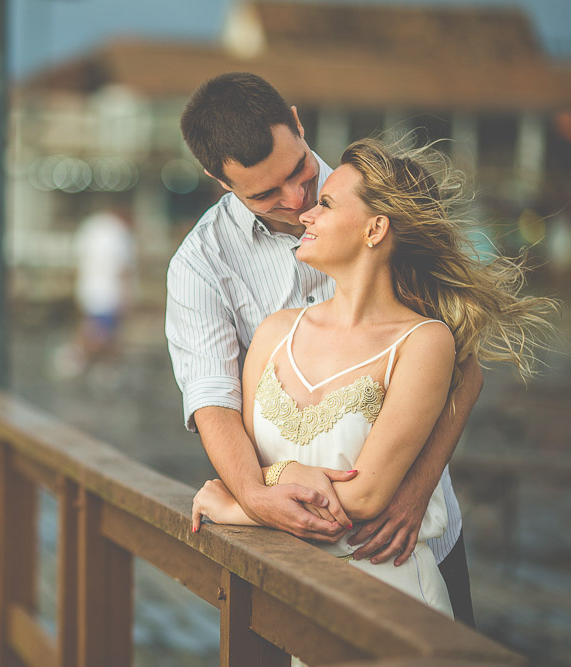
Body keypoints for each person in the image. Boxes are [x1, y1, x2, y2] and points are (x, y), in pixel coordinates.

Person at [189, 137, 555, 620]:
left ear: (375, 228)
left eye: (324, 203)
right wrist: (275, 479)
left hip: (388, 602)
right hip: (288, 604)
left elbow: (364, 498)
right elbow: (252, 473)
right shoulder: (274, 332)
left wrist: (238, 508)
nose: (304, 215)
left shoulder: (424, 342)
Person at [165, 72, 482, 623]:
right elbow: (214, 400)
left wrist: (413, 490)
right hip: (284, 550)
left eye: (300, 171)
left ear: (297, 123)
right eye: (266, 193)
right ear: (221, 182)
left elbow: (463, 365)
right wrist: (256, 497)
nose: (298, 201)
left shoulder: (377, 192)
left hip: (404, 540)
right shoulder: (202, 266)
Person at [56, 207, 136, 378]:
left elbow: (78, 260)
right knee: (100, 333)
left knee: (97, 330)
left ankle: (97, 365)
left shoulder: (91, 226)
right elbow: (123, 269)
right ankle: (77, 359)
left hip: (89, 289)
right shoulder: (119, 233)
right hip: (110, 293)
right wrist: (127, 295)